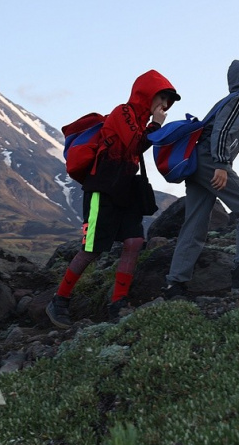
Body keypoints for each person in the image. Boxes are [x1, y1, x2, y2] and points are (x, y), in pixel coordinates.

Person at [46, 70, 180, 328]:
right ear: (147, 95)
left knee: (134, 242)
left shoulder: (143, 123)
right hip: (102, 190)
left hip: (126, 191)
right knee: (92, 248)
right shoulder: (124, 113)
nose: (164, 105)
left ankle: (118, 302)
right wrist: (156, 125)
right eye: (161, 98)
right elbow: (135, 145)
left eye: (168, 101)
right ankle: (59, 300)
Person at [163, 60, 239, 298]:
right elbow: (222, 130)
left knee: (194, 223)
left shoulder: (226, 100)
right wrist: (221, 165)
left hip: (196, 164)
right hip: (210, 161)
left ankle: (175, 284)